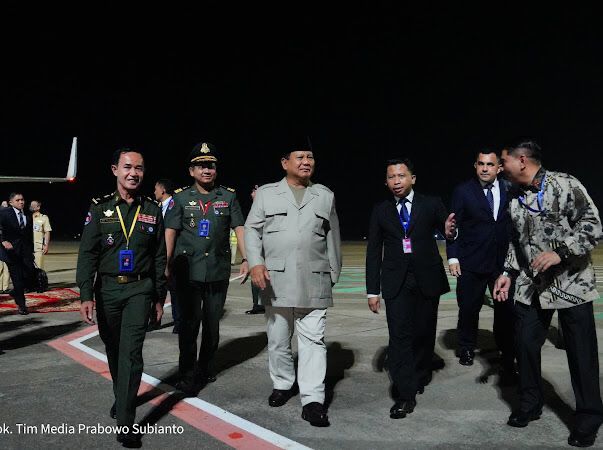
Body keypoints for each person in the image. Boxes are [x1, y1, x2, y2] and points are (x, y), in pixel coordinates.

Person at [493, 141, 603, 448]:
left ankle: (589, 417)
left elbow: (594, 226)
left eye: (504, 161)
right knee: (525, 344)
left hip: (571, 284)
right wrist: (507, 273)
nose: (501, 167)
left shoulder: (566, 184)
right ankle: (530, 404)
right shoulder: (514, 198)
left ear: (523, 161)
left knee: (581, 354)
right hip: (532, 286)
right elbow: (517, 244)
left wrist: (561, 252)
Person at [245, 139, 342, 427]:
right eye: (299, 157)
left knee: (313, 341)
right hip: (276, 279)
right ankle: (284, 383)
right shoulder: (266, 194)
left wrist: (332, 273)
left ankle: (313, 400)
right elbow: (252, 229)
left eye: (310, 157)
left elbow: (332, 235)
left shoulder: (325, 195)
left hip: (314, 279)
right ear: (285, 162)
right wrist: (256, 262)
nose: (306, 162)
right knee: (278, 338)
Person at [76, 148, 166, 447]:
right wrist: (86, 294)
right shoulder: (100, 208)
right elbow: (87, 254)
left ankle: (127, 422)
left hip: (139, 290)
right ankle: (122, 395)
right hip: (108, 291)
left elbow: (158, 256)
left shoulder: (152, 209)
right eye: (128, 167)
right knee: (114, 350)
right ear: (115, 169)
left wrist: (158, 297)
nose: (134, 173)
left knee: (131, 353)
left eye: (139, 168)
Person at [365, 157, 456, 420]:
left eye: (401, 176)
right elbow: (373, 252)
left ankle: (420, 373)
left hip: (427, 279)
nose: (396, 181)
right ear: (386, 181)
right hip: (396, 283)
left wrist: (451, 231)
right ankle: (405, 395)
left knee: (424, 333)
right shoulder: (381, 210)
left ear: (412, 178)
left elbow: (448, 230)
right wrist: (373, 290)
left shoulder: (431, 203)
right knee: (399, 336)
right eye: (391, 177)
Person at [164, 142, 249, 395]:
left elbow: (240, 229)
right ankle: (187, 373)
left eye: (211, 165)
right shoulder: (179, 198)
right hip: (187, 271)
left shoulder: (228, 196)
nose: (207, 170)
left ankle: (206, 366)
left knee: (212, 325)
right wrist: (166, 264)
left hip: (216, 271)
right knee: (189, 326)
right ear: (191, 171)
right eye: (201, 166)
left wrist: (247, 258)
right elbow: (171, 232)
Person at [446, 150, 516, 382]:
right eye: (481, 164)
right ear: (475, 165)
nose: (485, 168)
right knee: (468, 309)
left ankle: (507, 353)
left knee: (505, 312)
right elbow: (453, 227)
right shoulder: (463, 191)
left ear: (499, 168)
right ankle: (466, 347)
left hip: (501, 264)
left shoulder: (510, 189)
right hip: (471, 263)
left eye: (490, 164)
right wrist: (453, 257)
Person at [152, 178, 181, 333]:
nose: (154, 192)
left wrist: (167, 262)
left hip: (173, 257)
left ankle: (178, 322)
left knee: (175, 290)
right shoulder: (156, 207)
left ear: (162, 190)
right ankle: (155, 319)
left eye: (155, 189)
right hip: (157, 256)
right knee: (157, 289)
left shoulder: (174, 205)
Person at [0, 192, 34, 315]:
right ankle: (22, 305)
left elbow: (29, 235)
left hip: (25, 252)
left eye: (22, 199)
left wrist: (32, 251)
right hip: (11, 252)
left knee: (30, 275)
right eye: (18, 200)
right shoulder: (4, 213)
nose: (21, 202)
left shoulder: (28, 215)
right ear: (11, 202)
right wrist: (3, 240)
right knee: (17, 279)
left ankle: (15, 292)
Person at [245, 185, 264, 315]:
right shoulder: (253, 208)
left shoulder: (267, 206)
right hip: (256, 247)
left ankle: (263, 304)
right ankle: (257, 304)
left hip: (267, 247)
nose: (254, 192)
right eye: (252, 190)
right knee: (255, 276)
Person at [29, 200, 52, 270]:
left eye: (33, 205)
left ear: (38, 207)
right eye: (31, 205)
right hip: (27, 247)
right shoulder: (26, 217)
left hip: (38, 247)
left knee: (38, 268)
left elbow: (47, 232)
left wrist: (46, 245)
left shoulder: (44, 218)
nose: (31, 207)